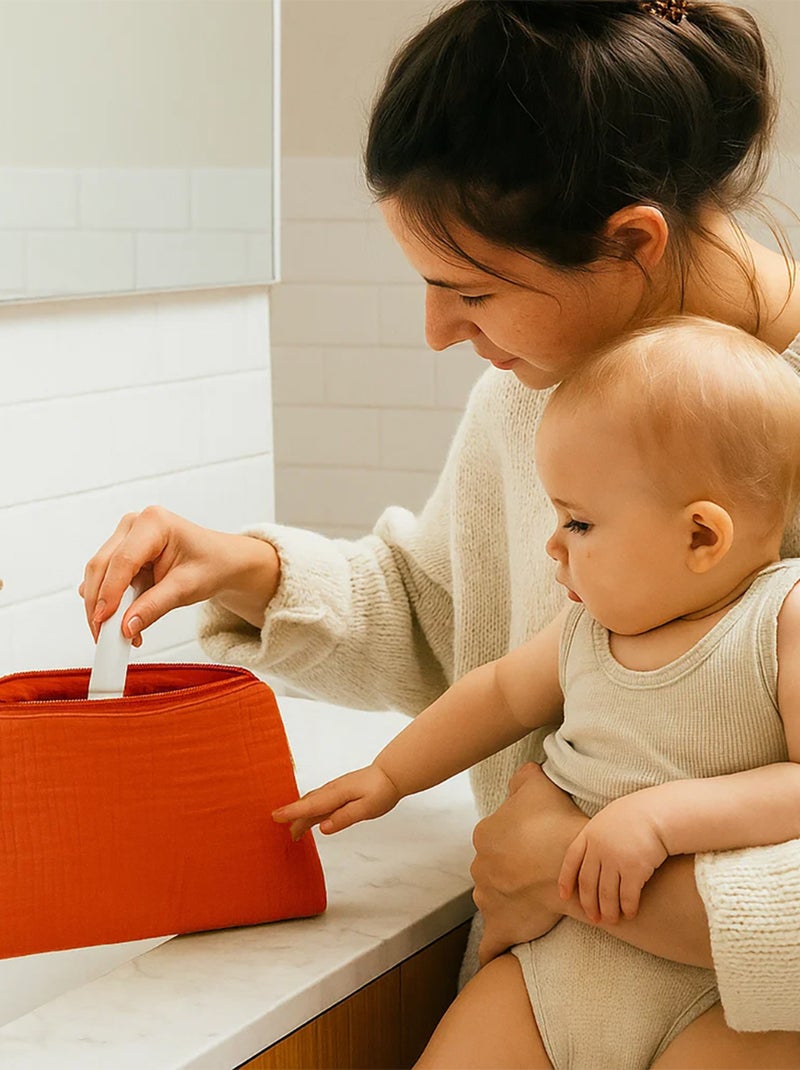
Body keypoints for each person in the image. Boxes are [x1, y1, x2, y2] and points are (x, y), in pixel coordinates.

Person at [80, 0, 800, 1063]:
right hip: (553, 989)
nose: (436, 333)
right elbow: (451, 622)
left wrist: (568, 863)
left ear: (630, 242)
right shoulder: (536, 399)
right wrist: (253, 572)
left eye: (470, 290)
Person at [272, 316, 800, 1068]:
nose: (552, 544)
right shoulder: (585, 626)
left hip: (718, 998)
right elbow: (494, 695)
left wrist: (659, 819)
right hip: (554, 967)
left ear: (701, 538)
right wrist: (390, 774)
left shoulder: (780, 619)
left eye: (579, 521)